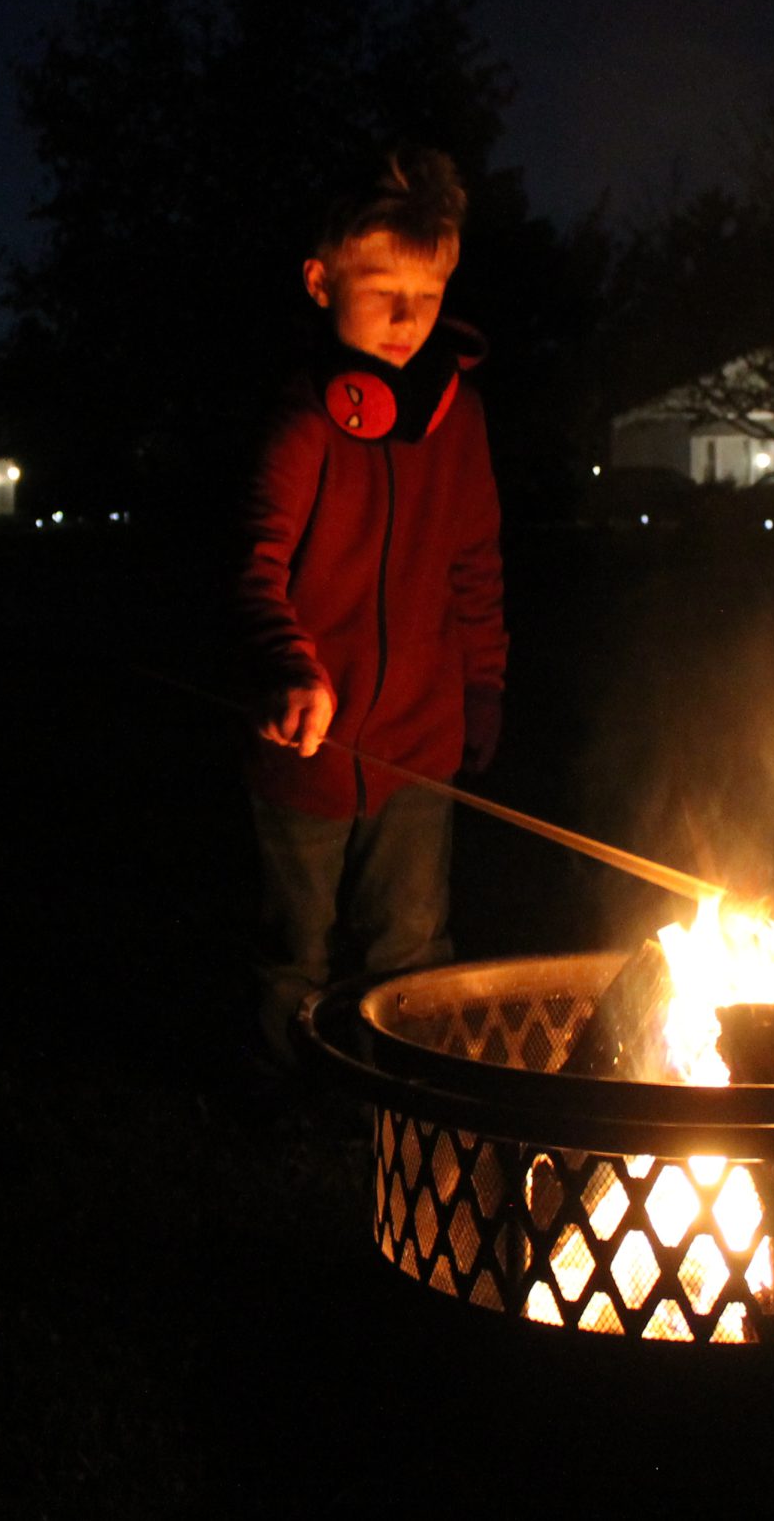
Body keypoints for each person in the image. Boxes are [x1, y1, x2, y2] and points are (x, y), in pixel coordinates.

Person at [238, 146, 507, 1063]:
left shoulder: (457, 416)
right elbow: (256, 565)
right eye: (382, 290)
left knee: (414, 944)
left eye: (427, 297)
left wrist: (483, 687)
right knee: (295, 947)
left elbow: (475, 562)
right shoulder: (303, 419)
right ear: (320, 282)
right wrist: (287, 664)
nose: (406, 319)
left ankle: (410, 1095)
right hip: (304, 748)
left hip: (420, 743)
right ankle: (285, 1088)